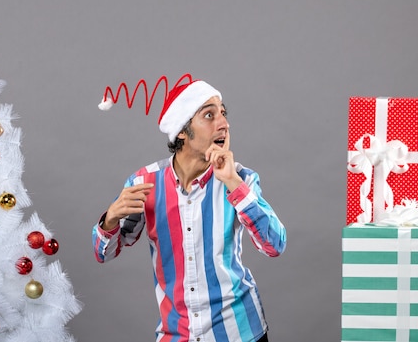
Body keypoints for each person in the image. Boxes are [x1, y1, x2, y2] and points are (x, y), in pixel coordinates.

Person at [92, 74, 287, 342]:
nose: (224, 124)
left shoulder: (241, 179)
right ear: (182, 130)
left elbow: (274, 245)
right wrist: (110, 219)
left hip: (240, 333)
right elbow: (105, 253)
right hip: (177, 335)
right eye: (209, 115)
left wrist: (232, 182)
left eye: (223, 113)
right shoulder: (144, 183)